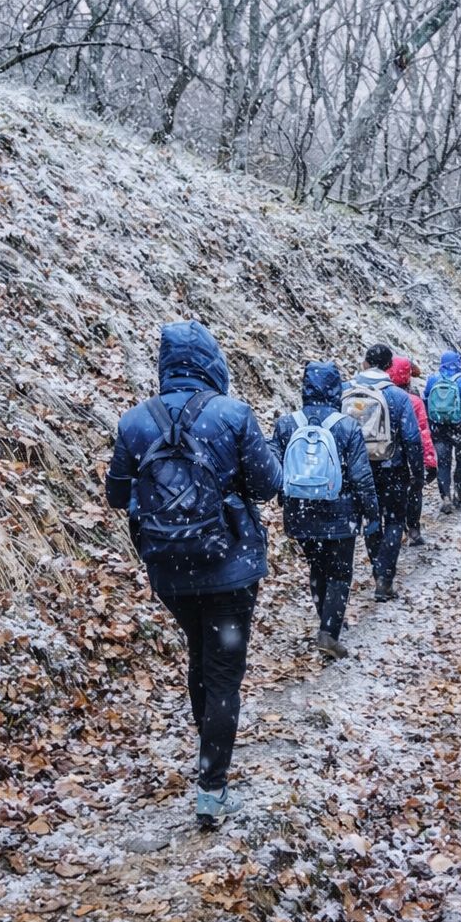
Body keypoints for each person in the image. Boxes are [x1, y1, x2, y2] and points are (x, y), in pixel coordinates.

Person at [106, 320, 282, 828]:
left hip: (171, 569)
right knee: (224, 672)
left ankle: (210, 756)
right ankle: (212, 788)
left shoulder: (136, 421)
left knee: (199, 659)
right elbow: (268, 485)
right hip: (230, 567)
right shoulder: (233, 414)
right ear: (213, 360)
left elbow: (118, 495)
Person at [271, 362, 379, 660]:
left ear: (305, 387)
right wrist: (371, 510)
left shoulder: (286, 424)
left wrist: (285, 500)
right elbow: (360, 475)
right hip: (339, 512)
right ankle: (329, 633)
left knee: (318, 567)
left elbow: (273, 467)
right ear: (336, 389)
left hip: (300, 512)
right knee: (340, 573)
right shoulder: (346, 425)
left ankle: (326, 620)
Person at [345, 344, 424, 601]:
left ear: (365, 363)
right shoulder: (398, 397)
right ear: (390, 367)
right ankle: (385, 577)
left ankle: (377, 567)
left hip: (359, 468)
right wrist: (418, 471)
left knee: (371, 519)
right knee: (394, 520)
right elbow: (412, 438)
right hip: (393, 466)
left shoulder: (347, 392)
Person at [424, 350, 461, 513]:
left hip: (439, 427)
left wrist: (429, 424)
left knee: (443, 463)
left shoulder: (433, 379)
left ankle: (445, 497)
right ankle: (459, 495)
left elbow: (426, 401)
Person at [387, 355, 438, 546]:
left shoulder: (381, 397)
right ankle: (413, 529)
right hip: (409, 455)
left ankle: (394, 528)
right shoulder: (414, 400)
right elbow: (423, 432)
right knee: (415, 490)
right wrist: (430, 461)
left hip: (385, 456)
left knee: (392, 493)